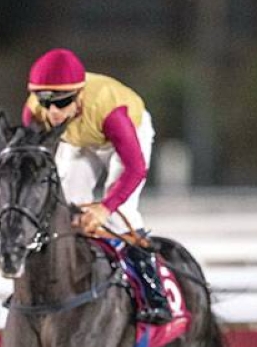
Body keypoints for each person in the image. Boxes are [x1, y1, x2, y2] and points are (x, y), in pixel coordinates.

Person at [22, 48, 173, 325]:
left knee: (119, 213)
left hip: (124, 136)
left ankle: (154, 292)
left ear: (79, 94)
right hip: (79, 141)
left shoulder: (109, 107)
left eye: (62, 101)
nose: (53, 111)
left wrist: (105, 208)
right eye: (46, 102)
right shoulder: (35, 110)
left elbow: (135, 168)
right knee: (67, 207)